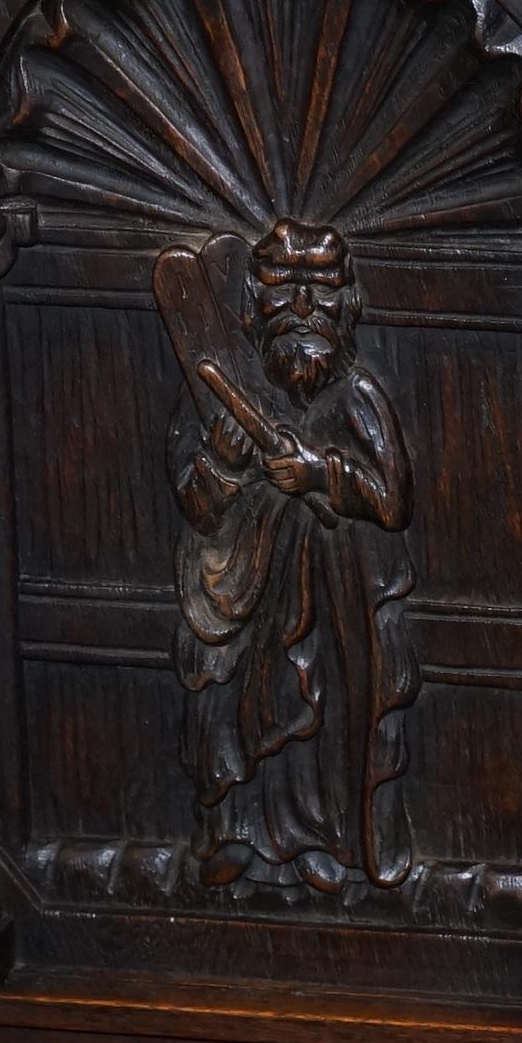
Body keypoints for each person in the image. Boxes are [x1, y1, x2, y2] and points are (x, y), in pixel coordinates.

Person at [164, 218, 418, 893]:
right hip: (238, 587)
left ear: (349, 304)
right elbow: (194, 500)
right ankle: (236, 836)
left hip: (329, 593)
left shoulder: (356, 396)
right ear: (253, 305)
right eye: (283, 291)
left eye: (320, 292)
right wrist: (222, 463)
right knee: (231, 708)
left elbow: (393, 499)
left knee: (319, 715)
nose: (302, 308)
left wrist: (320, 473)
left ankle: (321, 843)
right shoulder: (217, 391)